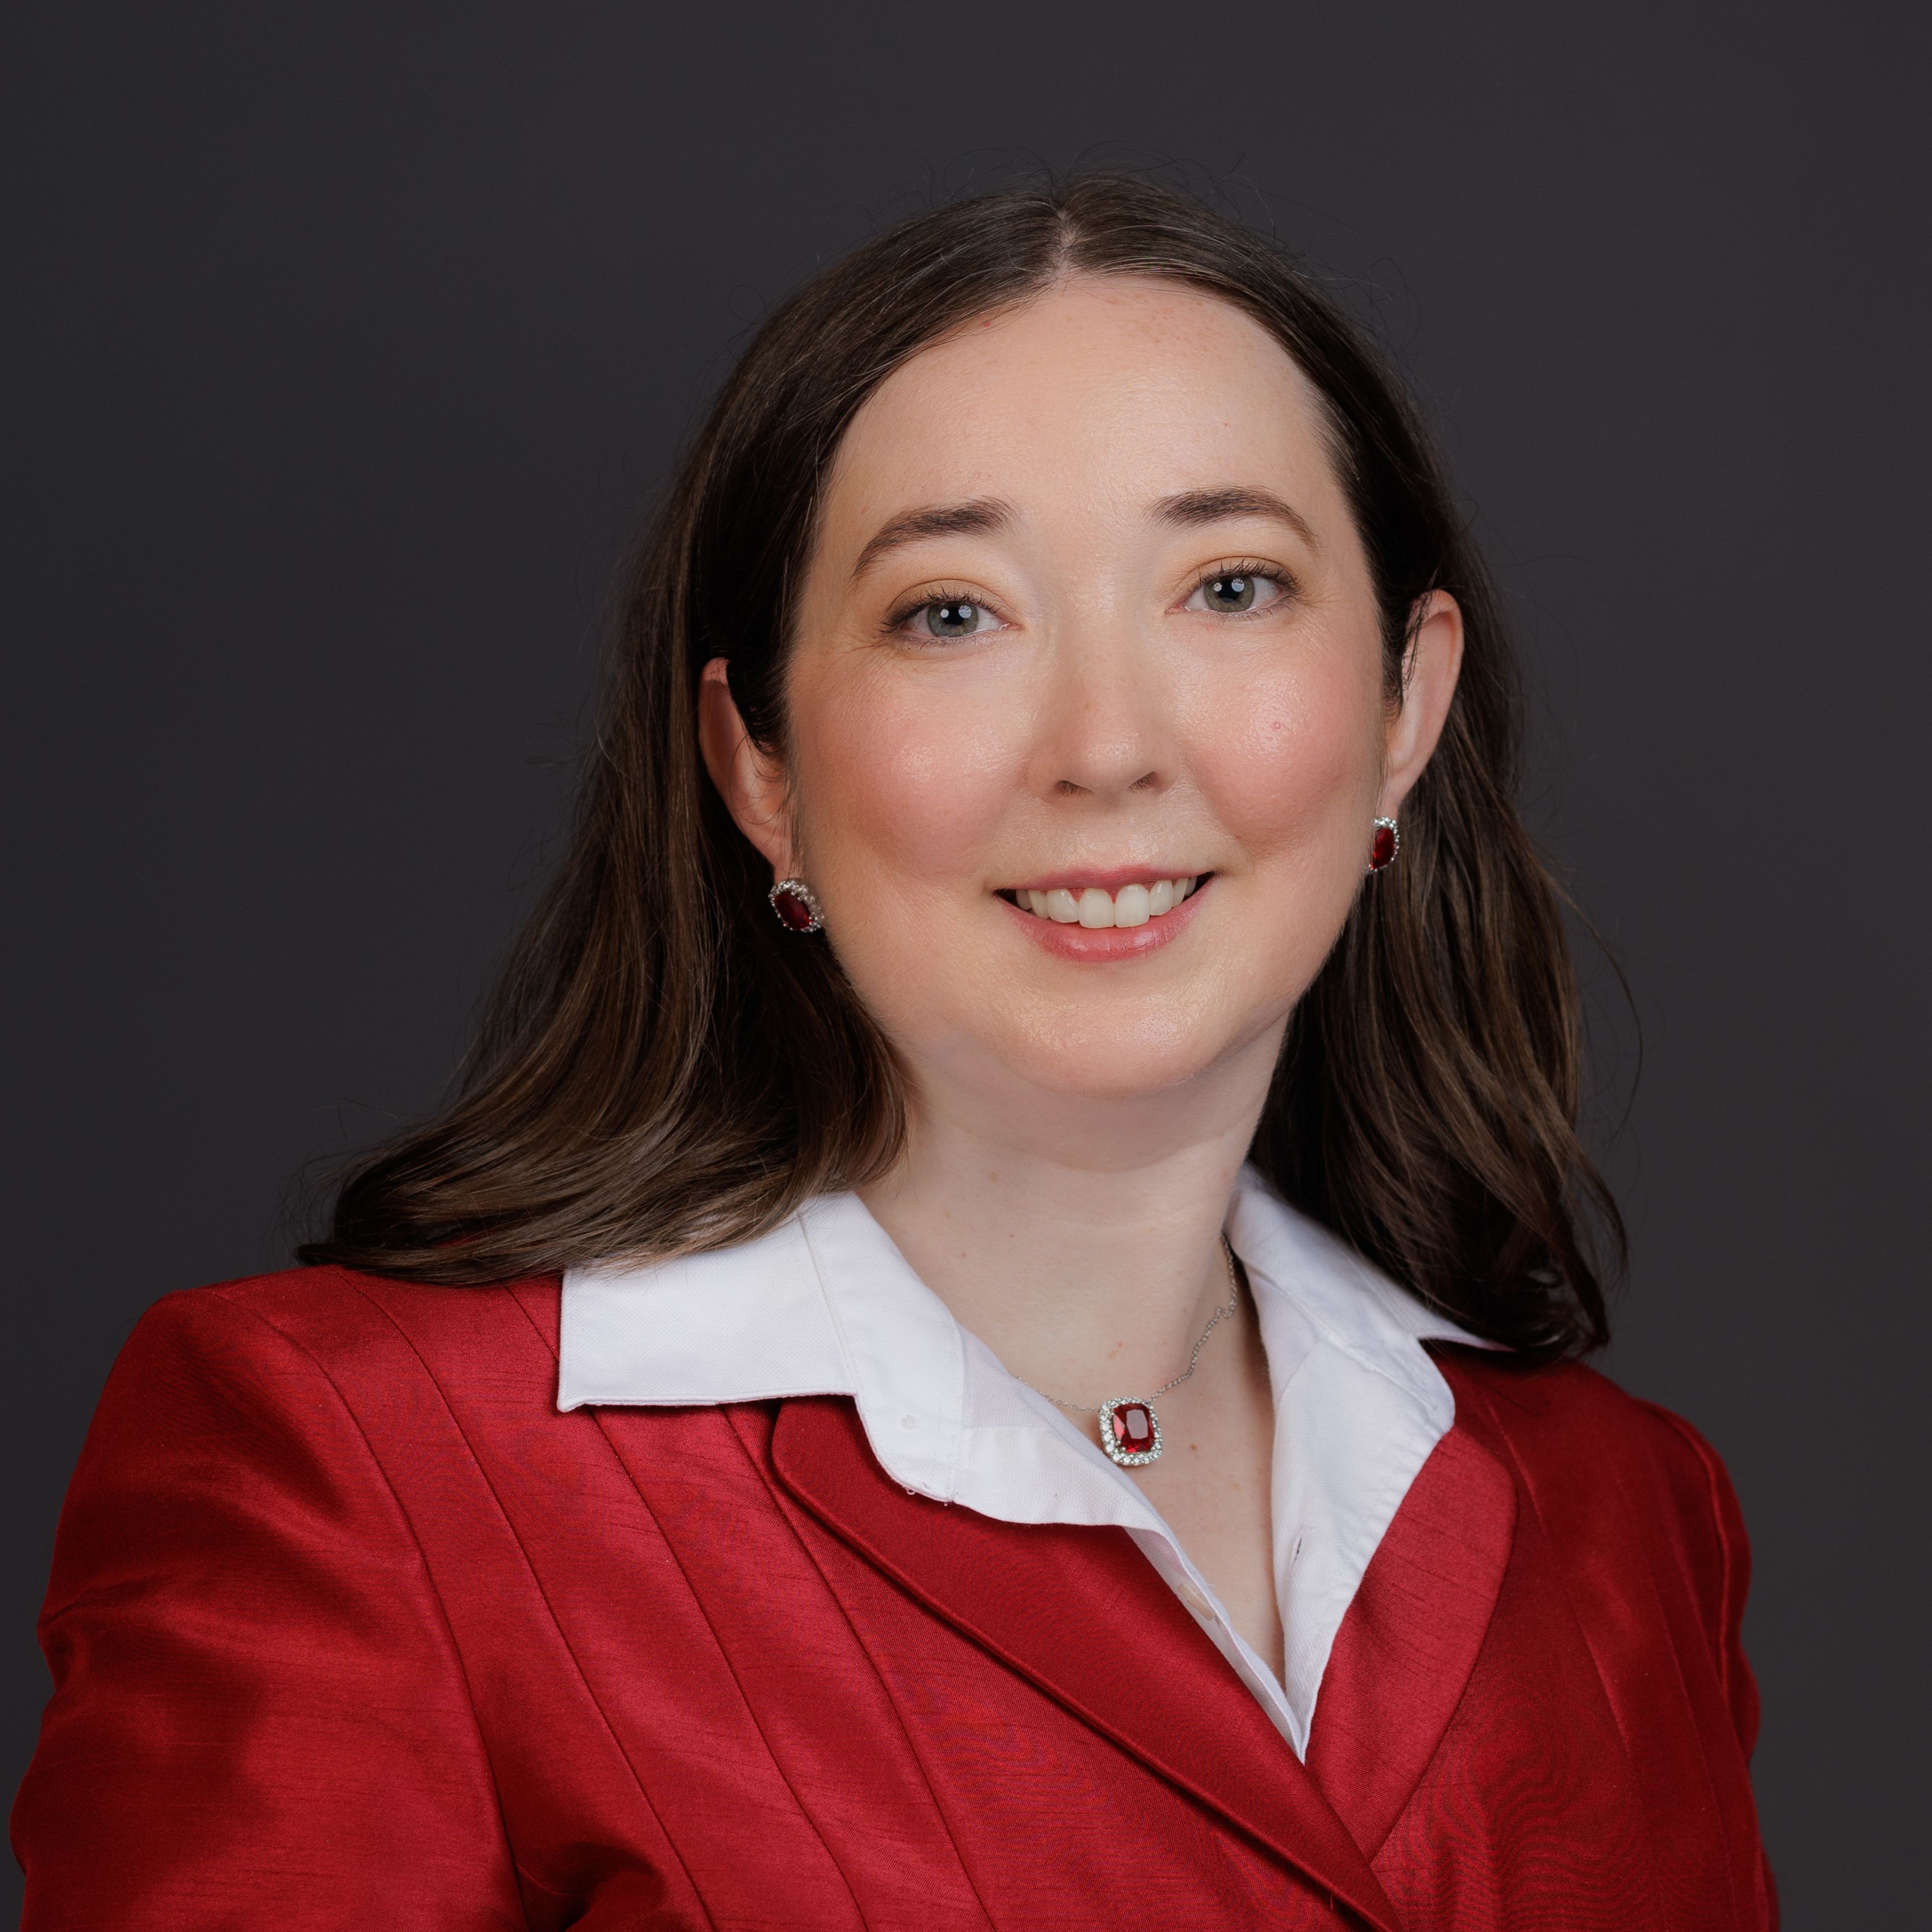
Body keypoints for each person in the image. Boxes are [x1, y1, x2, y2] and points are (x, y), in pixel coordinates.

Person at [11, 175, 1775, 1929]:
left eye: (1230, 586)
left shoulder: (1624, 1514)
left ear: (1405, 704)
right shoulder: (363, 1463)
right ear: (759, 765)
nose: (1106, 748)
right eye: (953, 612)